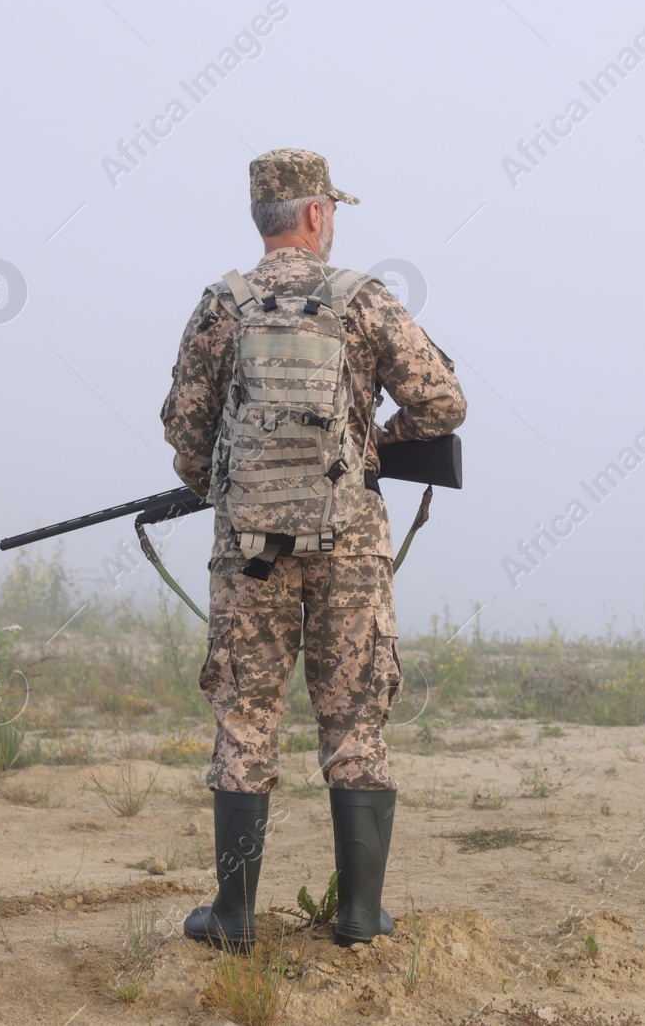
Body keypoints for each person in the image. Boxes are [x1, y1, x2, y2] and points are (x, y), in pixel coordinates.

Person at [160, 148, 465, 948]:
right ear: (318, 214)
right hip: (349, 546)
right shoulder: (362, 300)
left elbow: (187, 435)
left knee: (246, 722)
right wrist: (371, 448)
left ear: (263, 216)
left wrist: (229, 490)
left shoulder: (220, 306)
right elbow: (442, 402)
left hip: (249, 549)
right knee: (356, 721)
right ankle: (360, 916)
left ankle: (233, 917)